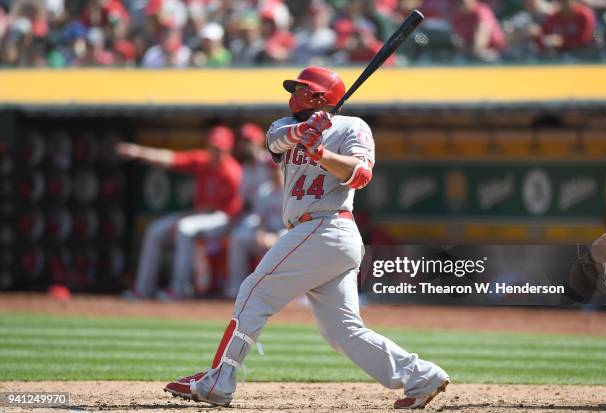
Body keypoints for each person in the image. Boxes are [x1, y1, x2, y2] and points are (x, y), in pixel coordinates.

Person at [164, 66, 450, 410]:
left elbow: (360, 175)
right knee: (341, 331)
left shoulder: (353, 127)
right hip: (315, 234)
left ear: (320, 96)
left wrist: (322, 153)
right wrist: (306, 130)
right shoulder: (284, 125)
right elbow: (276, 141)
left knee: (254, 292)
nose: (294, 93)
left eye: (303, 88)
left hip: (327, 226)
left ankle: (219, 380)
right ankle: (421, 376)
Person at [116, 125, 242, 299]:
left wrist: (191, 216)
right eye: (212, 147)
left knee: (184, 227)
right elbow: (170, 158)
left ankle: (179, 290)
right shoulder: (203, 161)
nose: (214, 152)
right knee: (155, 231)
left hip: (225, 220)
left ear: (228, 150)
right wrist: (138, 152)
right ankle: (142, 289)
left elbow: (232, 211)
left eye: (219, 149)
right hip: (199, 216)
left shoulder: (232, 172)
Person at [225, 160, 285, 299]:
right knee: (238, 239)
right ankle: (235, 287)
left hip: (287, 234)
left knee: (281, 241)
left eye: (275, 169)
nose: (272, 173)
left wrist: (275, 237)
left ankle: (277, 292)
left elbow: (295, 224)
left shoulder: (292, 191)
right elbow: (261, 219)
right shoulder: (265, 190)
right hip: (268, 232)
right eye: (270, 170)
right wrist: (260, 232)